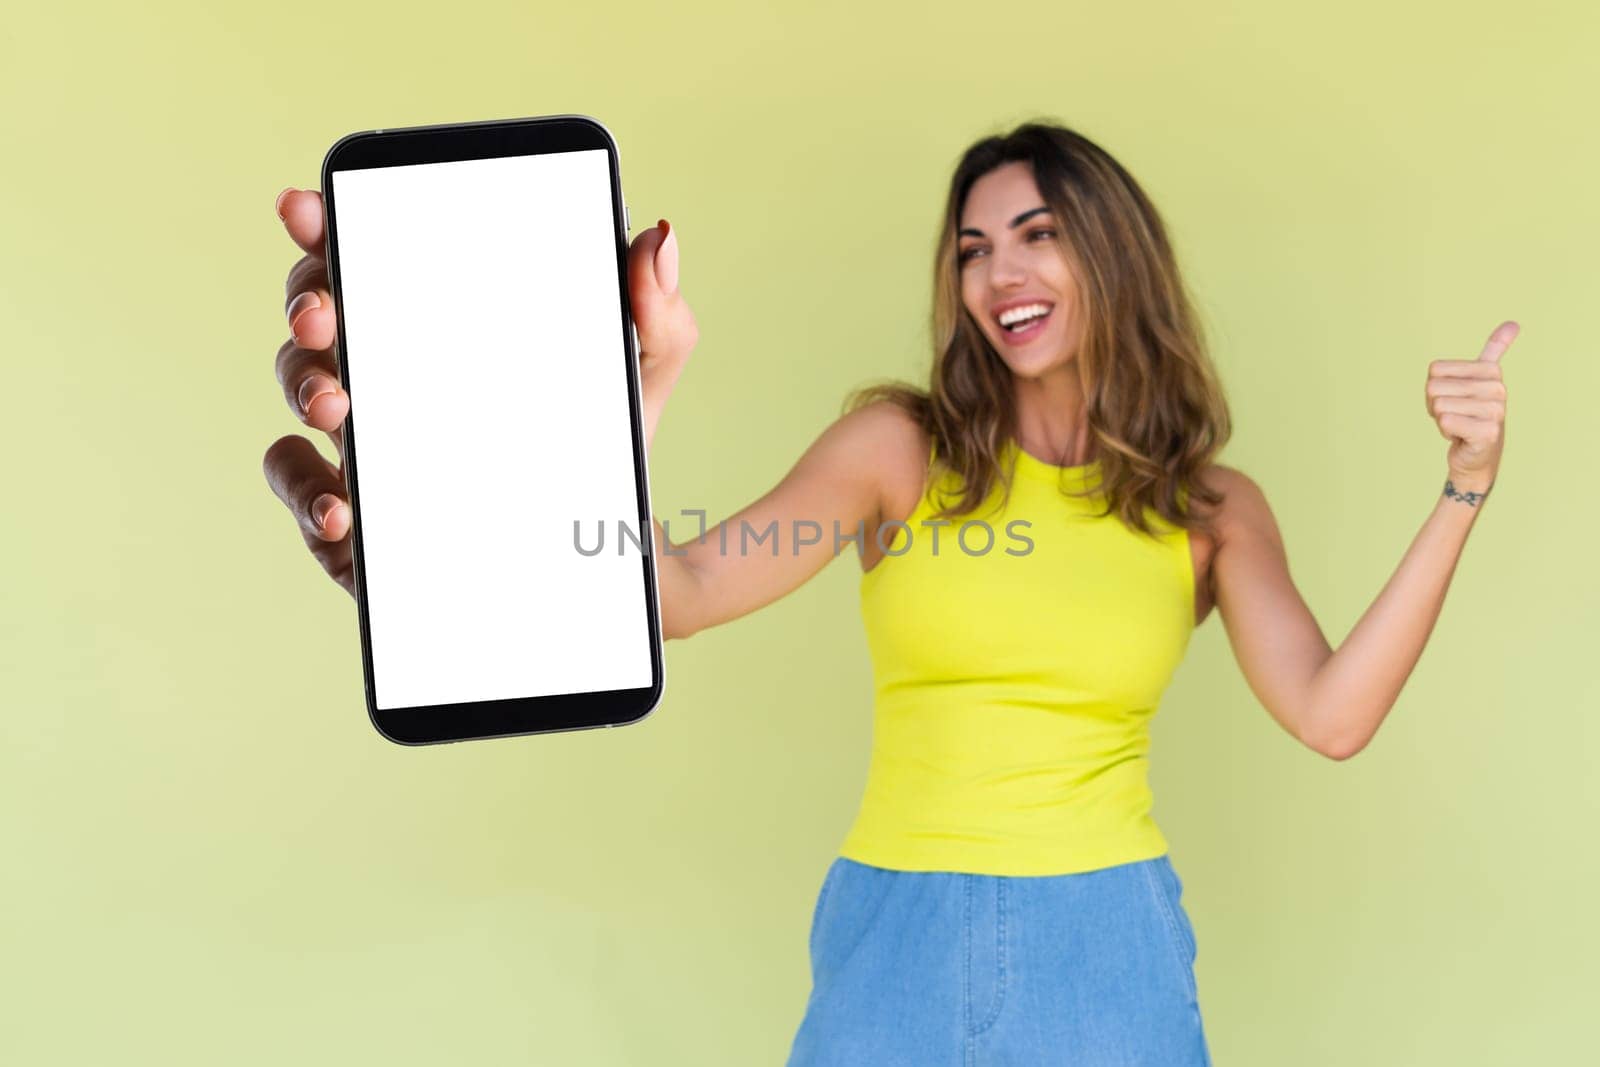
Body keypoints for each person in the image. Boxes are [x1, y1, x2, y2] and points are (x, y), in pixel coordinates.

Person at [264, 120, 1514, 1065]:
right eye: (973, 247)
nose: (996, 273)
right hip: (895, 934)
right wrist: (632, 397)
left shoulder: (1206, 508)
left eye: (1036, 233)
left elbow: (1332, 712)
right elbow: (683, 588)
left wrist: (1463, 485)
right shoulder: (899, 454)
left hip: (1111, 949)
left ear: (1111, 256)